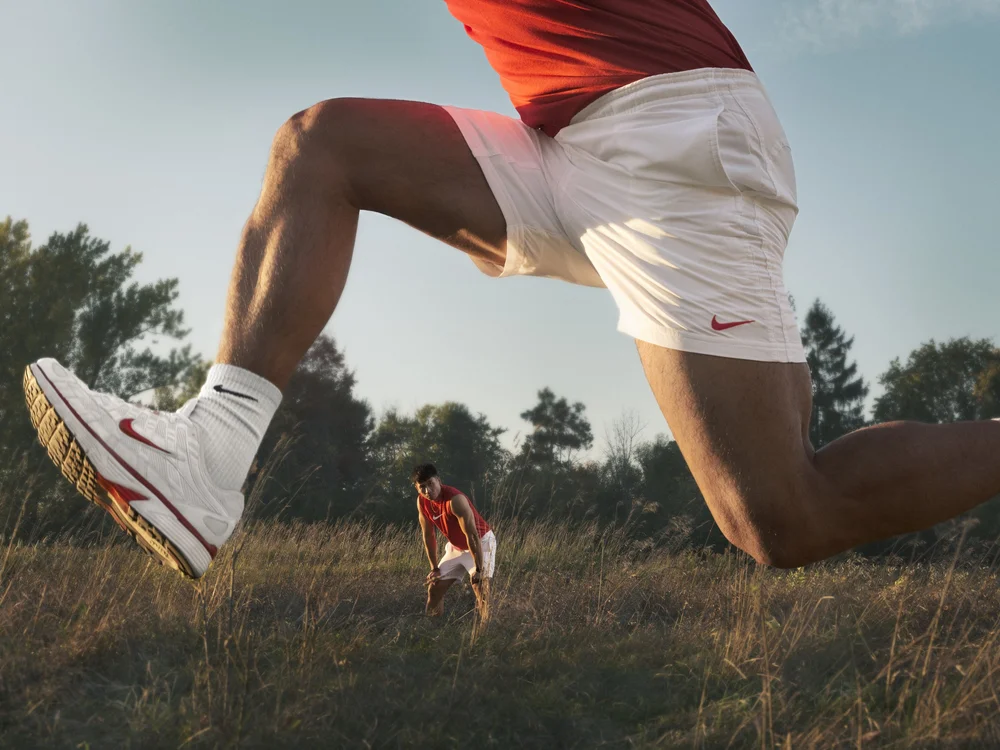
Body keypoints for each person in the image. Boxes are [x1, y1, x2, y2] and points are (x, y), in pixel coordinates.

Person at [22, 0, 1000, 580]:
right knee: (324, 146)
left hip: (673, 137)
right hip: (572, 139)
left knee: (779, 515)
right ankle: (207, 456)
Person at [412, 464, 495, 619]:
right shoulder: (422, 502)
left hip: (480, 542)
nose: (427, 491)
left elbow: (472, 536)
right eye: (422, 487)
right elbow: (428, 535)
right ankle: (431, 631)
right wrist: (434, 568)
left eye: (430, 484)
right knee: (434, 587)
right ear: (416, 488)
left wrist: (478, 569)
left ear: (438, 480)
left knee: (480, 587)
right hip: (456, 547)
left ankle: (486, 630)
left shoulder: (455, 500)